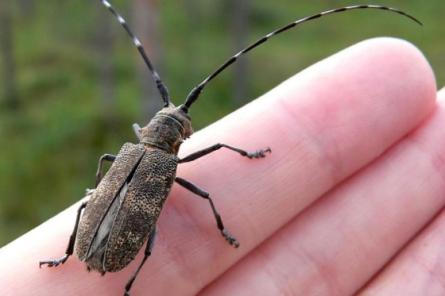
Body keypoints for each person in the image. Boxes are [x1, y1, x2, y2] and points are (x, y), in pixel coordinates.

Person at [0, 37, 442, 295]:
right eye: (180, 122)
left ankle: (73, 255)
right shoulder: (156, 163)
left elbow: (108, 169)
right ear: (179, 136)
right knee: (185, 210)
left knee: (88, 204)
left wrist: (99, 190)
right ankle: (127, 286)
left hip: (109, 236)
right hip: (115, 243)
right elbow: (197, 188)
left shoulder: (131, 151)